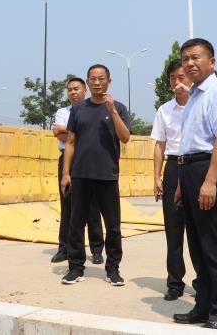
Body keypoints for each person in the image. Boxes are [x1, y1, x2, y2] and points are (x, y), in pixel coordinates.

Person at [172, 38, 217, 331]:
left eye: (195, 57)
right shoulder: (194, 96)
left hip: (208, 168)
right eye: (185, 58)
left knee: (214, 244)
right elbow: (188, 142)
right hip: (189, 170)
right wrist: (180, 184)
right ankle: (204, 305)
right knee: (197, 246)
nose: (189, 63)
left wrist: (210, 181)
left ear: (212, 62)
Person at [60, 64, 130, 286]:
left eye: (101, 78)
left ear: (109, 81)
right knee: (76, 223)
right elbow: (70, 142)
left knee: (113, 225)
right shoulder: (78, 109)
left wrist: (112, 111)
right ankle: (75, 267)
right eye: (93, 78)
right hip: (80, 175)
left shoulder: (119, 108)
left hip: (107, 175)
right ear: (88, 82)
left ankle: (113, 269)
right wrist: (66, 173)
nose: (97, 82)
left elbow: (125, 137)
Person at [51, 77, 104, 265]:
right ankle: (64, 248)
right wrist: (81, 132)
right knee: (67, 205)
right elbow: (57, 133)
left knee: (92, 206)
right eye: (70, 90)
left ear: (85, 90)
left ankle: (96, 250)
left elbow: (68, 133)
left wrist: (67, 131)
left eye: (76, 89)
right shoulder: (62, 112)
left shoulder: (93, 110)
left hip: (88, 160)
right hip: (67, 161)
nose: (73, 92)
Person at [151, 58, 190, 301]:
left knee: (199, 231)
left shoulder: (201, 104)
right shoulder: (164, 110)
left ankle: (203, 280)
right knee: (173, 230)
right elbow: (159, 145)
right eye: (173, 78)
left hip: (196, 166)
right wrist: (157, 177)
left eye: (181, 77)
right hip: (173, 167)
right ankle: (175, 282)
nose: (177, 82)